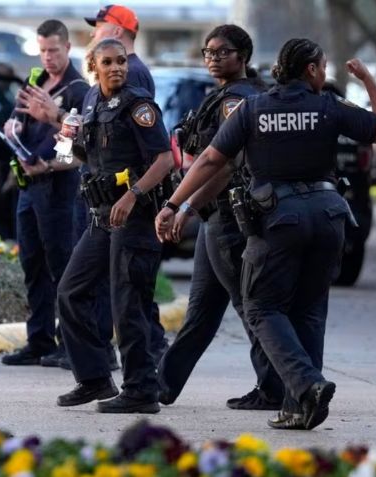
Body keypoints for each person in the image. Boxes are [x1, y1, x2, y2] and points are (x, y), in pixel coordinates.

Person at [156, 38, 376, 429]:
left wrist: (174, 205)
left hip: (278, 221)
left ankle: (307, 385)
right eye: (321, 66)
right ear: (312, 70)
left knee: (262, 307)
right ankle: (300, 406)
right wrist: (367, 79)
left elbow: (212, 159)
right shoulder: (328, 106)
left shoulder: (253, 109)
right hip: (328, 216)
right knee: (310, 311)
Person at [156, 24, 284, 410]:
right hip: (216, 217)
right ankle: (161, 385)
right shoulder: (228, 95)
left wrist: (187, 205)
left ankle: (275, 388)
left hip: (229, 216)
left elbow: (225, 165)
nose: (213, 58)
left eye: (222, 52)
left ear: (242, 57)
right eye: (208, 52)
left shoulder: (238, 100)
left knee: (250, 306)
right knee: (201, 311)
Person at [56, 39, 174, 414]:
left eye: (121, 61)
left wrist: (133, 194)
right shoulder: (90, 100)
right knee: (70, 292)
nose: (116, 68)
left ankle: (141, 389)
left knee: (128, 303)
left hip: (134, 218)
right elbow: (82, 156)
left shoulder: (138, 105)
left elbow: (165, 159)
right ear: (94, 65)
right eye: (107, 62)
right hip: (101, 217)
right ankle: (94, 379)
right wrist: (67, 139)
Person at [0, 19, 90, 367]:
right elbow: (17, 117)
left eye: (54, 50)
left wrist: (49, 166)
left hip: (58, 188)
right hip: (28, 184)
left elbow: (74, 148)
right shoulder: (36, 80)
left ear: (67, 48)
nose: (48, 58)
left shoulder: (77, 90)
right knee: (32, 264)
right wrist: (13, 127)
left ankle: (70, 344)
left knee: (62, 267)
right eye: (42, 51)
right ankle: (38, 340)